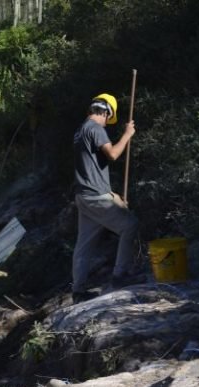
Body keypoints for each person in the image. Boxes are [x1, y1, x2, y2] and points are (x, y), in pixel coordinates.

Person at [71, 93, 143, 303]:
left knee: (84, 245)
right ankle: (120, 275)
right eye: (108, 118)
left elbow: (91, 169)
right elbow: (112, 154)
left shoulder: (80, 131)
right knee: (129, 225)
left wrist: (113, 195)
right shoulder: (95, 128)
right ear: (106, 112)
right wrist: (127, 135)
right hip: (95, 196)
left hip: (84, 195)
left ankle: (78, 291)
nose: (106, 122)